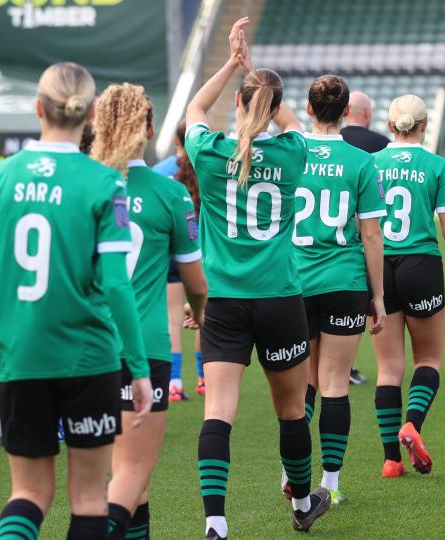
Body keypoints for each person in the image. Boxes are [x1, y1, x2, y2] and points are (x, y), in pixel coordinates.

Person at [0, 62, 153, 540]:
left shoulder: (0, 177)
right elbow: (117, 286)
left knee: (28, 495)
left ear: (38, 107)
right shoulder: (103, 182)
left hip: (21, 354)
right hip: (88, 359)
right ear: (91, 112)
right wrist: (138, 367)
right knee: (89, 500)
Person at [185, 17, 332, 538]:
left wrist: (232, 64)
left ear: (241, 104)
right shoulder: (291, 152)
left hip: (222, 301)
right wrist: (265, 87)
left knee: (217, 413)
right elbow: (296, 126)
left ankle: (216, 523)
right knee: (292, 411)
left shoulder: (209, 152)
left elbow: (196, 109)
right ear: (271, 108)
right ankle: (300, 506)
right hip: (278, 299)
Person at [90, 82, 208, 540]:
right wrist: (200, 312)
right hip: (143, 343)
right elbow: (195, 283)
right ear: (150, 128)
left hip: (82, 347)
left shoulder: (84, 186)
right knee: (132, 474)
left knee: (123, 478)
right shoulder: (169, 194)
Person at [292, 74, 386, 503]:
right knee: (334, 383)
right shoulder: (361, 162)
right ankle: (329, 483)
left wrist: (247, 66)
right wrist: (377, 296)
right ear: (347, 112)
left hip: (295, 280)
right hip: (345, 281)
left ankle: (292, 471)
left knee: (301, 384)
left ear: (309, 109)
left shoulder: (290, 151)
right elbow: (371, 236)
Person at [371, 94, 445, 477]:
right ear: (425, 127)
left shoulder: (372, 163)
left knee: (388, 368)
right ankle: (411, 425)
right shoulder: (437, 166)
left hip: (381, 265)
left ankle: (391, 460)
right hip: (422, 264)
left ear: (390, 126)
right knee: (427, 359)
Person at [340, 90, 389, 385]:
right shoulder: (381, 146)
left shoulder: (333, 144)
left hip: (325, 237)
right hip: (365, 234)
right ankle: (346, 364)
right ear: (367, 114)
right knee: (358, 302)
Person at [166, 121, 207, 400]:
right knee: (206, 318)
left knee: (173, 319)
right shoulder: (211, 166)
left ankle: (174, 382)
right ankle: (204, 379)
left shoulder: (164, 171)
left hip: (173, 252)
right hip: (203, 252)